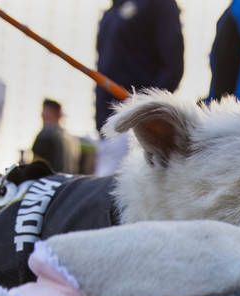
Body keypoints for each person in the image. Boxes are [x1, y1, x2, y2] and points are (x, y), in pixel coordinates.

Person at [94, 0, 184, 175]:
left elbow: (172, 67)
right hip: (106, 127)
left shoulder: (159, 5)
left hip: (137, 130)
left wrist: (146, 114)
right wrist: (101, 124)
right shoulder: (111, 13)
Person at [31, 98, 80, 174]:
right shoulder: (72, 140)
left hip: (51, 183)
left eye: (44, 113)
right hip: (68, 182)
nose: (41, 115)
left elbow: (36, 167)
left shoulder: (46, 134)